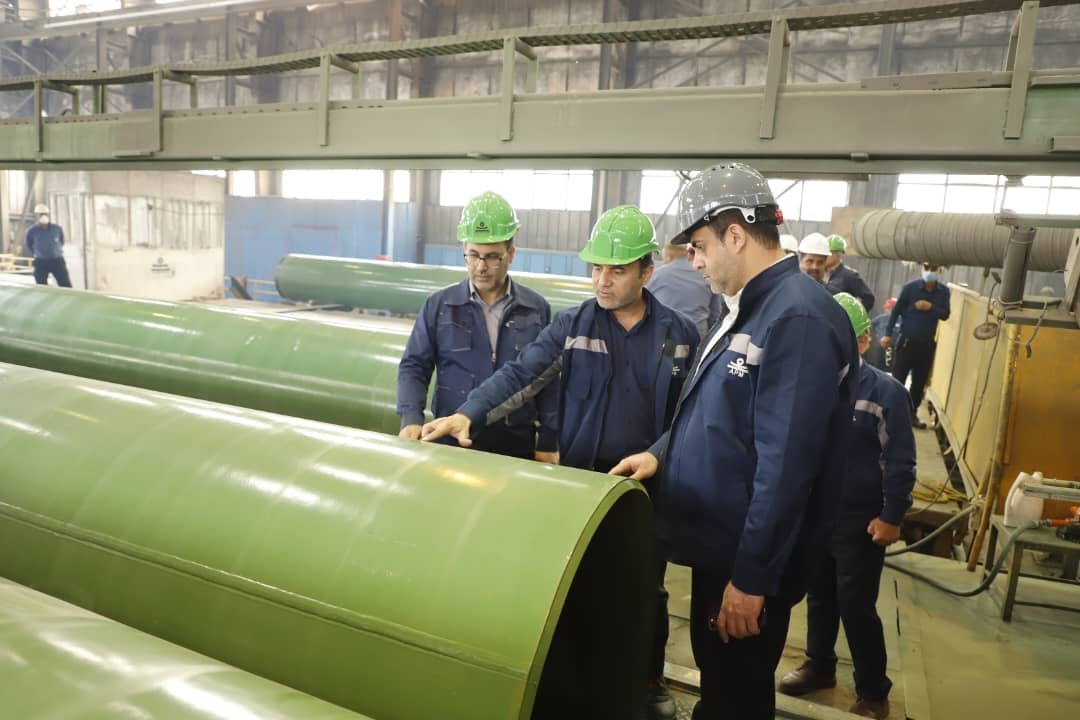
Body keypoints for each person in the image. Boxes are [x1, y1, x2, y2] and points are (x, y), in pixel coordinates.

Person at [421, 205, 699, 720]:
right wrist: (467, 413)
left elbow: (692, 414)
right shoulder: (573, 325)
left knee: (646, 590)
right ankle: (582, 682)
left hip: (644, 490)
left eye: (617, 270)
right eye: (597, 268)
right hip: (583, 485)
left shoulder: (679, 336)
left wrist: (658, 454)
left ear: (646, 272)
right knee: (578, 585)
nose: (602, 280)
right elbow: (520, 375)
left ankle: (648, 677)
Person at [610, 162, 859, 720]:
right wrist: (659, 453)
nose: (694, 261)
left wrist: (751, 580)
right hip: (723, 545)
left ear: (737, 236)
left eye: (699, 247)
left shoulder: (796, 319)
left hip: (746, 561)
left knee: (735, 697)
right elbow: (718, 413)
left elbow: (786, 467)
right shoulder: (752, 307)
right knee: (723, 685)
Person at [778, 292, 915, 720]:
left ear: (863, 340)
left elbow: (900, 461)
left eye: (842, 340)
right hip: (816, 514)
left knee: (856, 605)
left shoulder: (886, 392)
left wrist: (892, 516)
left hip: (861, 521)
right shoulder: (809, 388)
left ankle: (873, 690)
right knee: (819, 595)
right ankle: (820, 666)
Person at [396, 191, 558, 462]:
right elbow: (414, 365)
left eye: (492, 257)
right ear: (464, 250)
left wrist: (549, 439)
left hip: (514, 445)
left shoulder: (535, 308)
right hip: (450, 441)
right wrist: (410, 417)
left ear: (511, 254)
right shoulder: (440, 305)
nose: (481, 267)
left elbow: (548, 378)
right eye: (473, 255)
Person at [881, 263, 950, 429]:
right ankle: (889, 414)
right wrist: (888, 333)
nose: (929, 272)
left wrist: (931, 307)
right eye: (927, 268)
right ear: (922, 268)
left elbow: (945, 314)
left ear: (940, 270)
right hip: (907, 342)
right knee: (897, 380)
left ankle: (911, 415)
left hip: (926, 344)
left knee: (919, 383)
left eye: (933, 269)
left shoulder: (943, 292)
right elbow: (896, 311)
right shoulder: (910, 288)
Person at [647, 241, 720, 337]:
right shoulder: (706, 275)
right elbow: (714, 314)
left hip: (665, 335)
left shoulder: (655, 275)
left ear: (669, 257)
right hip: (698, 334)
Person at [24, 203, 72, 287]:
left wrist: (56, 251)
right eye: (40, 214)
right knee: (41, 285)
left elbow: (61, 241)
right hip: (41, 262)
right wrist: (37, 253)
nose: (43, 216)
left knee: (65, 284)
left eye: (44, 214)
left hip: (57, 261)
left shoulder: (56, 229)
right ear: (37, 216)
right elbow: (29, 244)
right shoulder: (32, 231)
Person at [824, 234, 875, 311]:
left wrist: (853, 314)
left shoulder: (849, 276)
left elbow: (868, 299)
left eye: (828, 253)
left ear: (839, 254)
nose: (824, 257)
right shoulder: (820, 273)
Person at [864, 297, 897, 371]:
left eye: (888, 308)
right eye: (886, 308)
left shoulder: (900, 318)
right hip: (882, 345)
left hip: (893, 347)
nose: (886, 310)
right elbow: (870, 324)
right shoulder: (881, 318)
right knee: (880, 364)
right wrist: (876, 333)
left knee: (891, 366)